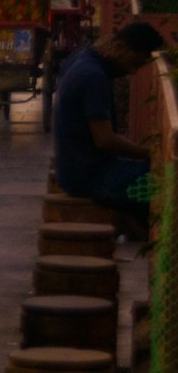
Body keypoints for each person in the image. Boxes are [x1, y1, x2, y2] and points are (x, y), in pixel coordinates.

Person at [53, 22, 166, 226]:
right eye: (135, 62)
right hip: (88, 178)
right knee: (163, 178)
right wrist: (151, 154)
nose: (132, 72)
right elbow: (105, 140)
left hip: (70, 169)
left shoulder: (81, 57)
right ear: (120, 47)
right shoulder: (94, 77)